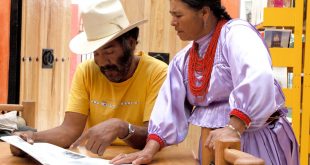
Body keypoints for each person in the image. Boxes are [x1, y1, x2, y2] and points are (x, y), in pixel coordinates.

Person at [110, 0, 299, 165]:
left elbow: (258, 76)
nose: (172, 22)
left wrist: (234, 127)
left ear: (204, 12)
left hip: (255, 141)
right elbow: (169, 108)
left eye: (178, 15)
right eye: (171, 15)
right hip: (212, 146)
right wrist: (148, 151)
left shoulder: (237, 34)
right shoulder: (183, 60)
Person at [10, 0, 167, 157]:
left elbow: (154, 136)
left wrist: (122, 127)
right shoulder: (86, 71)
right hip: (97, 158)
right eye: (95, 53)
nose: (102, 62)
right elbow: (69, 131)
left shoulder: (158, 73)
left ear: (131, 43)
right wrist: (32, 138)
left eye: (109, 52)